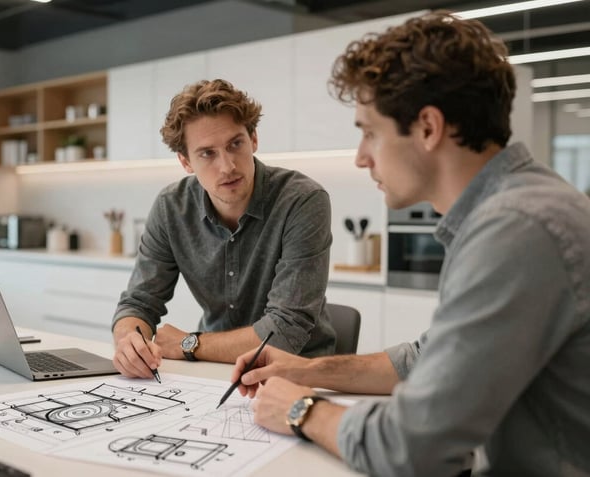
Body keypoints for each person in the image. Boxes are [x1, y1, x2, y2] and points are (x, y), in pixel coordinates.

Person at [230, 12, 590, 477]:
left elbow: (412, 448)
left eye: (369, 132)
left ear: (427, 128)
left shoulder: (517, 228)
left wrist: (303, 411)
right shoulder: (513, 207)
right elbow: (425, 358)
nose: (361, 157)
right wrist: (304, 370)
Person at [112, 79, 338, 379]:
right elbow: (138, 303)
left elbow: (284, 332)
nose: (228, 165)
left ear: (253, 139)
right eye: (207, 153)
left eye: (235, 144)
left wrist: (188, 343)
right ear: (185, 161)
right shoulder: (171, 207)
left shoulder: (302, 200)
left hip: (296, 372)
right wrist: (130, 340)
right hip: (212, 371)